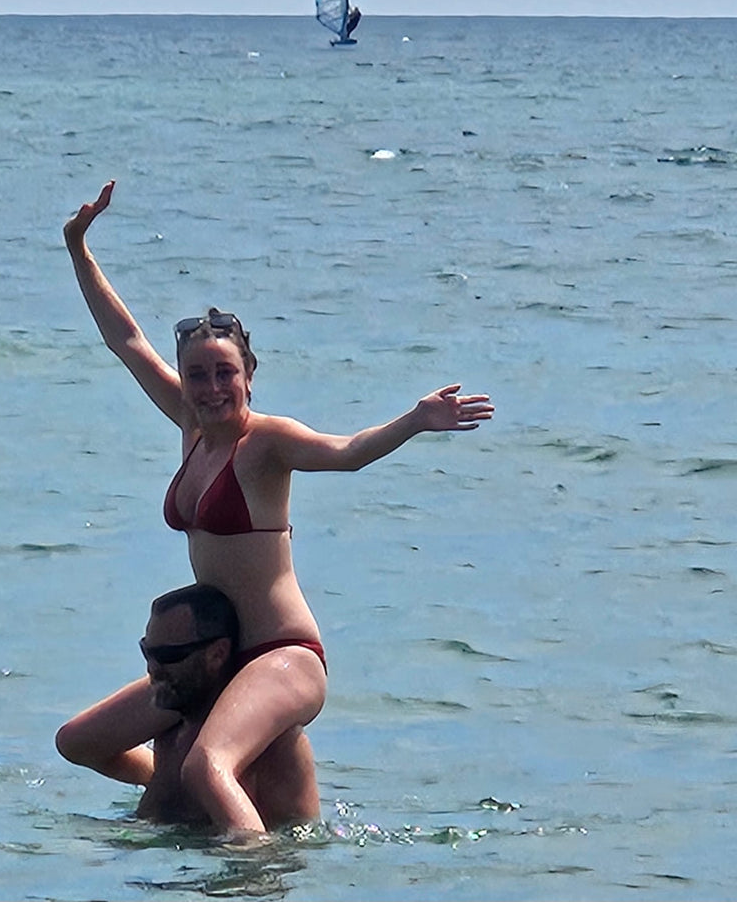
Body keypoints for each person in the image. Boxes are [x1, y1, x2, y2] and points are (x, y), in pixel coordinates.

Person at [56, 179, 494, 835]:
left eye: (224, 373)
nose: (210, 387)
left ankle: (254, 864)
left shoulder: (268, 443)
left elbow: (347, 452)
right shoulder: (190, 424)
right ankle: (169, 787)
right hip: (215, 657)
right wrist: (78, 248)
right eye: (197, 374)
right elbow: (127, 341)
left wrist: (415, 419)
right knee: (79, 740)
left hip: (283, 654)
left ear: (249, 375)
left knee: (209, 767)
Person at [133, 583, 319, 829]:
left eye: (169, 656)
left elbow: (288, 843)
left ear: (217, 654)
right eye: (148, 652)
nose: (153, 668)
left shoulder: (276, 748)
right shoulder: (171, 733)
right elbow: (87, 745)